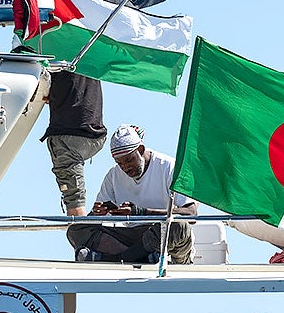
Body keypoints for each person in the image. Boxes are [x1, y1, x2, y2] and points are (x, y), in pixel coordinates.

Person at [69, 124, 194, 264]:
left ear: (140, 150)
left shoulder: (169, 167)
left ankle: (118, 259)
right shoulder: (113, 175)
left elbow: (191, 214)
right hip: (133, 238)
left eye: (129, 160)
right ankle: (143, 258)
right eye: (119, 163)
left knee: (179, 226)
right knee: (77, 229)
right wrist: (97, 214)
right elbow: (93, 221)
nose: (125, 167)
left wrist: (141, 212)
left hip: (164, 238)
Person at [42, 69, 107, 217]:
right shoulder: (85, 54)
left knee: (74, 202)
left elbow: (41, 87)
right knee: (73, 195)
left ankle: (81, 229)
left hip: (69, 137)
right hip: (95, 133)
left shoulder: (56, 54)